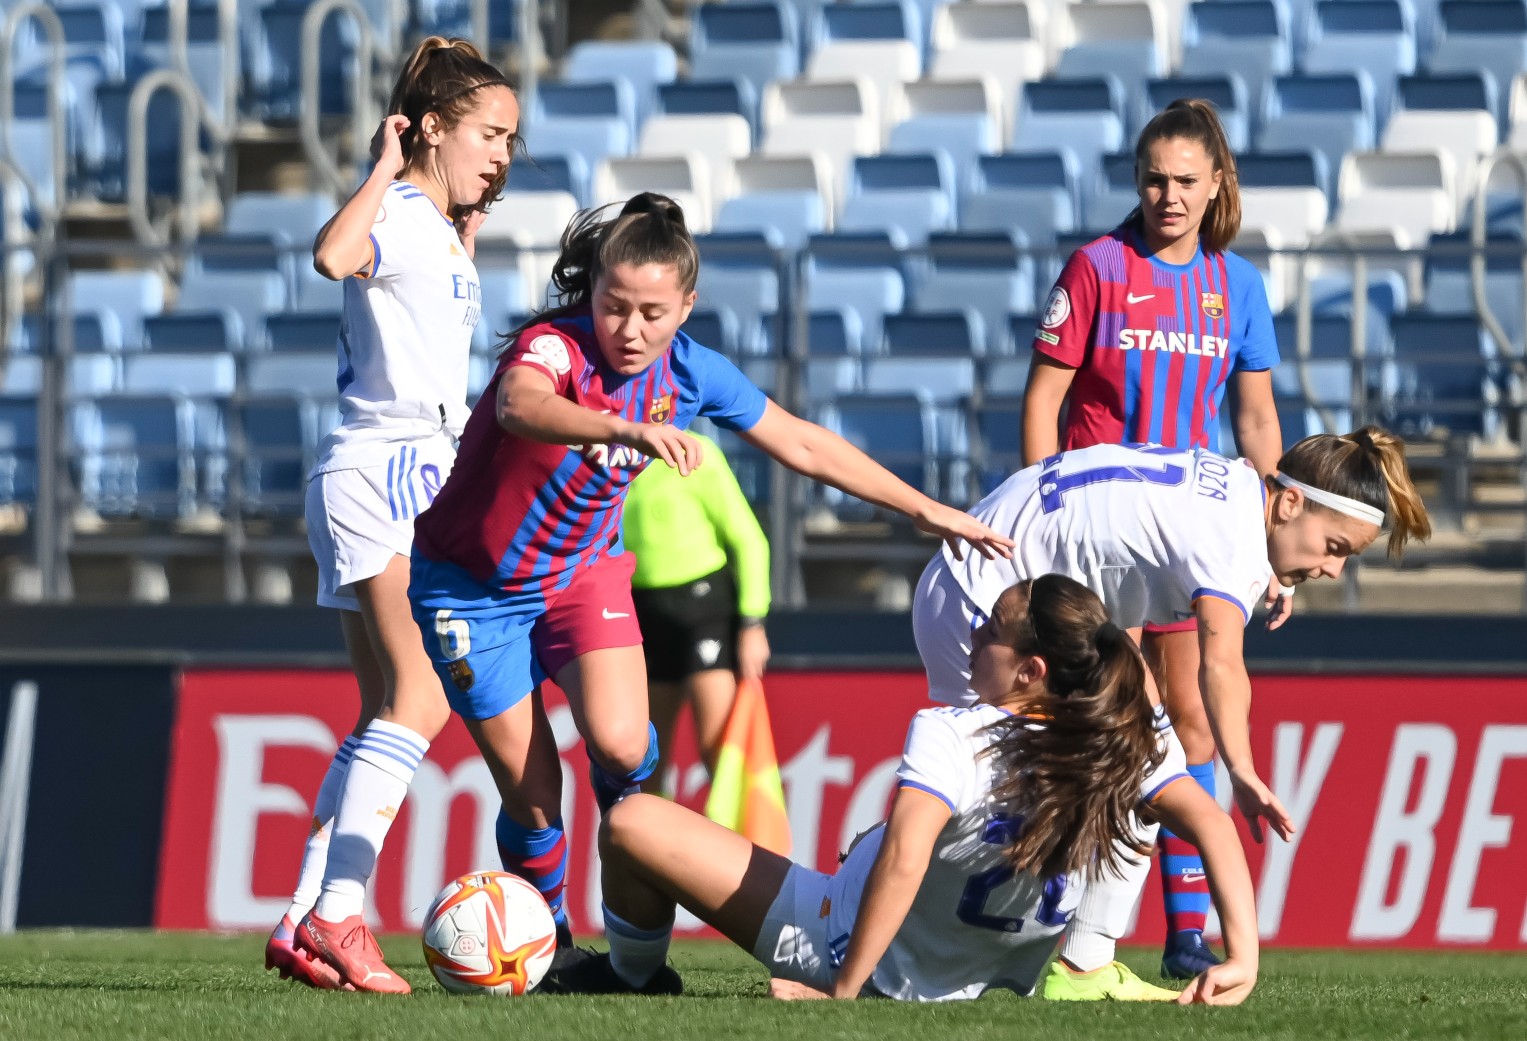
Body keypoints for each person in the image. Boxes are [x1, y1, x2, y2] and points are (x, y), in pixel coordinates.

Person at [405, 191, 1013, 994]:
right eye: (613, 305)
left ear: (686, 305)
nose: (630, 329)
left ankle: (633, 917)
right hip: (470, 587)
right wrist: (622, 428)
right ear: (591, 294)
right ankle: (546, 944)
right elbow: (521, 405)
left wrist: (925, 508)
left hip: (581, 575)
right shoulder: (555, 349)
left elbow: (799, 439)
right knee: (535, 792)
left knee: (624, 750)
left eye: (652, 312)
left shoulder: (691, 369)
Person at [553, 575, 1259, 1005]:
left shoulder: (953, 732)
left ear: (1029, 670)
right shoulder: (1125, 740)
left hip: (837, 938)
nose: (974, 635)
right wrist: (1242, 959)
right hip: (987, 976)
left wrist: (842, 988)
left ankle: (633, 975)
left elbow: (904, 859)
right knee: (872, 842)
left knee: (632, 819)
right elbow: (1215, 826)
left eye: (990, 629)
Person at [913, 430, 1431, 999]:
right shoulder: (1235, 540)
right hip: (988, 602)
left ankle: (1085, 967)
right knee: (987, 793)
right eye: (1335, 547)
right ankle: (898, 939)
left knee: (1149, 758)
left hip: (1006, 583)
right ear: (1289, 503)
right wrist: (1244, 771)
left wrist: (1278, 572)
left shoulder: (1237, 494)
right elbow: (1222, 665)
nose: (1334, 570)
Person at [261, 38, 519, 995]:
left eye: (511, 138)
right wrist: (382, 167)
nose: (501, 153)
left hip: (385, 468)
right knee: (419, 698)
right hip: (387, 468)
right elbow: (334, 254)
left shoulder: (440, 228)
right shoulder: (401, 213)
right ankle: (339, 912)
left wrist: (465, 220)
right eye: (489, 133)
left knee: (382, 706)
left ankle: (299, 917)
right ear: (436, 129)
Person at [1022, 98, 1284, 979]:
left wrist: (1263, 544)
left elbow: (1254, 421)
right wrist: (1043, 517)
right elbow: (1042, 403)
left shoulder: (1237, 285)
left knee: (1195, 725)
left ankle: (1184, 932)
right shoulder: (1097, 265)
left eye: (1183, 181)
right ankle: (1063, 930)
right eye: (1151, 179)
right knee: (1108, 727)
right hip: (1099, 539)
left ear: (1216, 185)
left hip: (1190, 531)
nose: (1166, 196)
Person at [623, 430, 771, 788]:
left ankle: (733, 842)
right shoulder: (611, 458)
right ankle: (651, 843)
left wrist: (753, 623)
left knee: (718, 748)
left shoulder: (697, 453)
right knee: (642, 758)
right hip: (643, 613)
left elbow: (749, 540)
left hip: (704, 612)